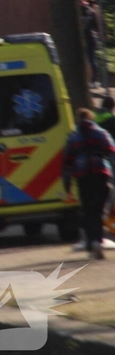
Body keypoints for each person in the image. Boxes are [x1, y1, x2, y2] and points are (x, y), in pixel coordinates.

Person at [62, 108, 115, 260]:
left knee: (87, 210)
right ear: (91, 118)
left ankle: (92, 243)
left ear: (78, 120)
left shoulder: (74, 137)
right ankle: (98, 240)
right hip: (101, 173)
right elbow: (112, 152)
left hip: (82, 176)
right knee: (99, 209)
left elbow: (67, 163)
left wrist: (67, 186)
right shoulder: (102, 133)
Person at [77, 0, 102, 87]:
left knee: (90, 59)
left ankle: (92, 80)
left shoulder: (84, 9)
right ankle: (92, 80)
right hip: (90, 36)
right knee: (90, 59)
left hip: (87, 37)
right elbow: (96, 25)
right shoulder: (89, 9)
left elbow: (91, 24)